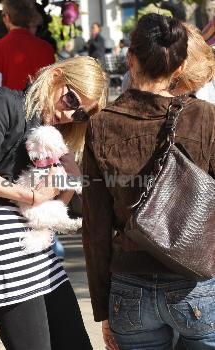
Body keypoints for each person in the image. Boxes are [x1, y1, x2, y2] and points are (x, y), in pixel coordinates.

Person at [0, 56, 108, 350]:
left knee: (75, 343)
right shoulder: (5, 104)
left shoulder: (52, 133)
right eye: (70, 100)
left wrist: (71, 179)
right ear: (55, 76)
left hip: (37, 244)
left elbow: (62, 207)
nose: (70, 115)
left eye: (81, 115)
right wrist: (29, 195)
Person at [82, 13, 215, 350]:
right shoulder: (205, 118)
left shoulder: (101, 124)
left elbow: (95, 227)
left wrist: (102, 309)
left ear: (130, 57)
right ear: (181, 66)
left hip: (129, 287)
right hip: (194, 285)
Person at [0, 0, 55, 96]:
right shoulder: (46, 48)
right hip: (39, 106)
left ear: (7, 18)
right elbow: (51, 84)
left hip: (8, 109)